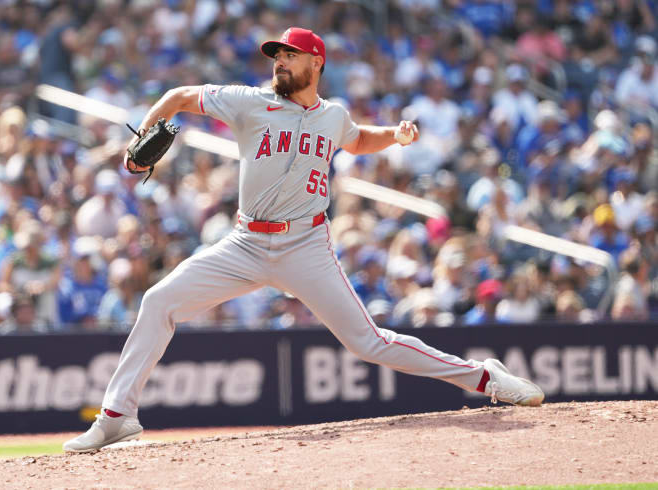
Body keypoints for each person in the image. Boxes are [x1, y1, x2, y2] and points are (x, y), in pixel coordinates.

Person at [64, 27, 544, 452]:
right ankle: (116, 417)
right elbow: (178, 96)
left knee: (369, 343)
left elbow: (357, 139)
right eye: (277, 55)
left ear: (316, 62)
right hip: (245, 243)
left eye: (290, 54)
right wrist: (140, 149)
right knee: (158, 300)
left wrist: (395, 136)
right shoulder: (250, 101)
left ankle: (485, 377)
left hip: (306, 246)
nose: (280, 61)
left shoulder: (332, 116)